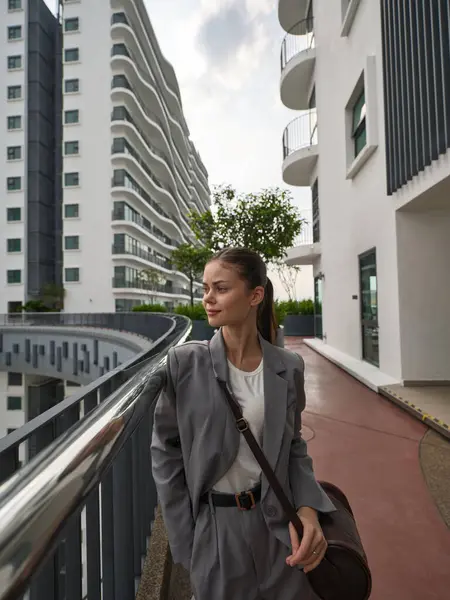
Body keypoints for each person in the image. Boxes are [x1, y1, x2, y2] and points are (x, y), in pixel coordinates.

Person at [151, 247, 336, 600]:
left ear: (255, 295)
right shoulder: (185, 364)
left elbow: (293, 447)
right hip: (216, 533)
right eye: (206, 288)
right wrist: (187, 543)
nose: (208, 299)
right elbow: (165, 455)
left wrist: (309, 513)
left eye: (220, 288)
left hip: (281, 531)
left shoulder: (288, 366)